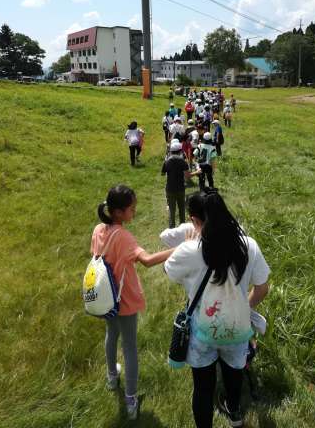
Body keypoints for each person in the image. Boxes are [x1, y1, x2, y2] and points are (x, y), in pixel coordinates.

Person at [164, 191, 270, 428]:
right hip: (238, 330)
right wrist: (244, 307)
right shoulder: (249, 246)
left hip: (202, 332)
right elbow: (262, 288)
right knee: (234, 377)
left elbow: (168, 271)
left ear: (194, 220)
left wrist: (186, 243)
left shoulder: (189, 250)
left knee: (203, 388)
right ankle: (235, 416)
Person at [91, 185, 174, 419]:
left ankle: (111, 377)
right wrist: (179, 248)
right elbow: (147, 260)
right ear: (118, 212)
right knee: (129, 347)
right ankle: (130, 400)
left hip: (106, 298)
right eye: (132, 208)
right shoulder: (124, 237)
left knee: (111, 334)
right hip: (124, 299)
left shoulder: (98, 230)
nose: (134, 212)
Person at [161, 141, 198, 228]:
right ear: (180, 151)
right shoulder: (182, 161)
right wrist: (197, 172)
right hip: (180, 188)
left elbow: (162, 173)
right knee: (182, 210)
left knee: (172, 211)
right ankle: (182, 228)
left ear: (171, 151)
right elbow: (187, 176)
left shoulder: (167, 161)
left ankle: (171, 229)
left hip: (170, 189)